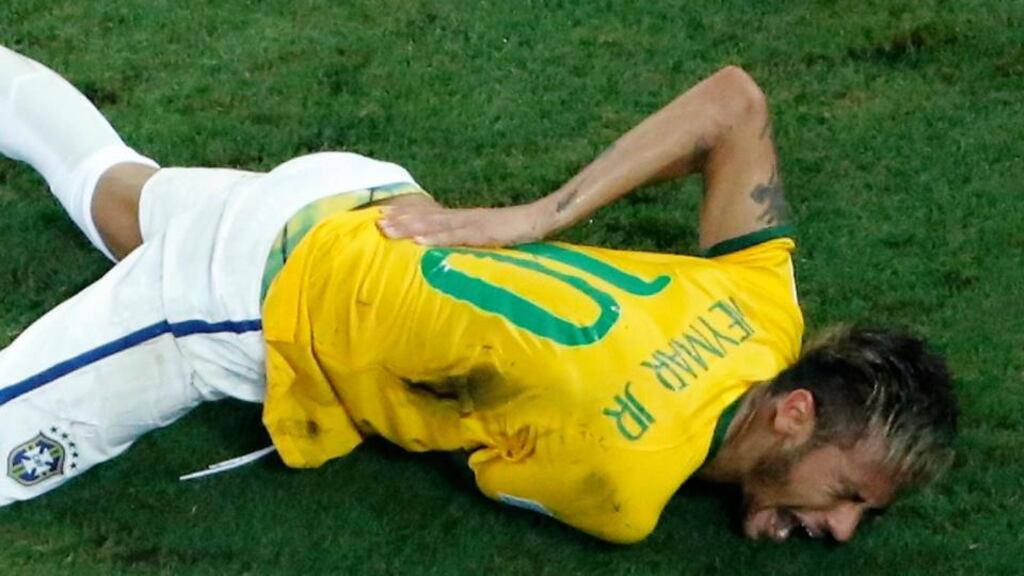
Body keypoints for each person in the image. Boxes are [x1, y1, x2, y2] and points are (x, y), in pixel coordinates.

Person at [0, 45, 957, 544]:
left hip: (368, 198)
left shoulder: (763, 307)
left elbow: (735, 102)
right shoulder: (624, 490)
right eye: (845, 497)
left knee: (109, 183)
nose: (836, 530)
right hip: (248, 295)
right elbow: (495, 462)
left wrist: (541, 214)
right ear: (794, 414)